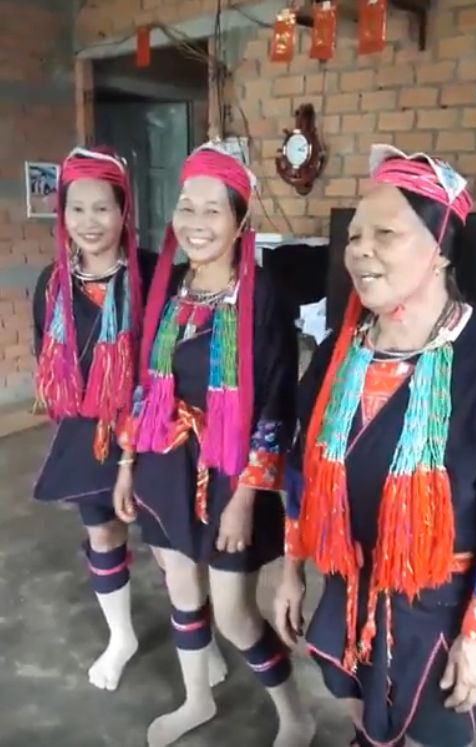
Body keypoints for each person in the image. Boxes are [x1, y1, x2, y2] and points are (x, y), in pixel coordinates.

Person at [275, 145, 476, 747]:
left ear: (441, 248)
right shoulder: (340, 351)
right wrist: (292, 570)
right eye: (354, 235)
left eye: (385, 234)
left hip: (438, 607)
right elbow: (301, 468)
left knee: (430, 727)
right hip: (346, 587)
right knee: (360, 710)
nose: (359, 250)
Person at [113, 144, 315, 747]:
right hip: (164, 462)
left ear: (240, 219)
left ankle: (295, 715)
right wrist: (128, 463)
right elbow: (146, 384)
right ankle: (196, 699)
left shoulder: (262, 295)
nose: (195, 222)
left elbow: (277, 403)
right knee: (181, 588)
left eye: (212, 210)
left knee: (234, 613)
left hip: (232, 474)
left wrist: (246, 499)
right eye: (186, 207)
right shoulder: (170, 286)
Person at [32, 146, 230, 695]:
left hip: (155, 428)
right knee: (103, 530)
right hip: (89, 431)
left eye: (103, 208)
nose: (89, 222)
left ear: (125, 211)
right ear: (62, 214)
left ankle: (201, 639)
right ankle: (121, 637)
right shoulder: (52, 282)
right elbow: (50, 359)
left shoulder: (157, 272)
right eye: (77, 209)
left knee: (172, 546)